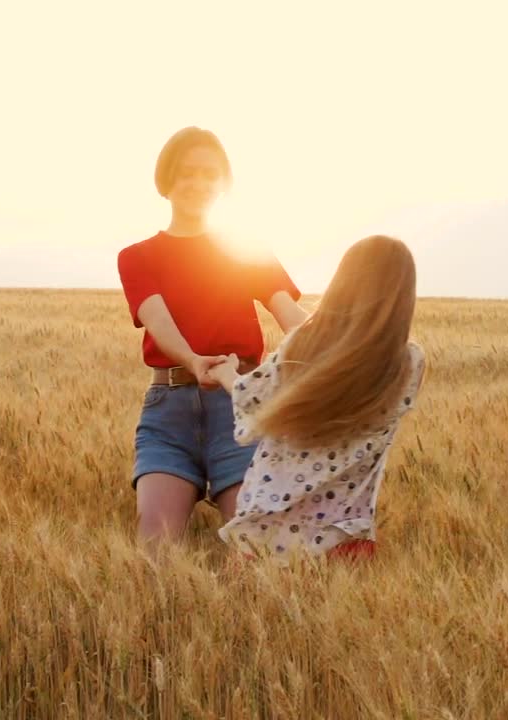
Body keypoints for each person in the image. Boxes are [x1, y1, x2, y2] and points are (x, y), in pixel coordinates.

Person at [117, 126, 307, 548]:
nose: (198, 183)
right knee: (156, 550)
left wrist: (350, 343)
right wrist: (191, 358)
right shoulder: (137, 257)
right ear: (166, 182)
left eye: (209, 174)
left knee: (255, 551)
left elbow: (291, 315)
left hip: (242, 404)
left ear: (223, 184)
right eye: (186, 173)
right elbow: (156, 318)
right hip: (169, 415)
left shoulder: (247, 250)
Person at [209, 234, 426, 564]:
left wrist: (225, 372)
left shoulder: (302, 345)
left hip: (269, 535)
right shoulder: (409, 363)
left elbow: (252, 400)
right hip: (344, 537)